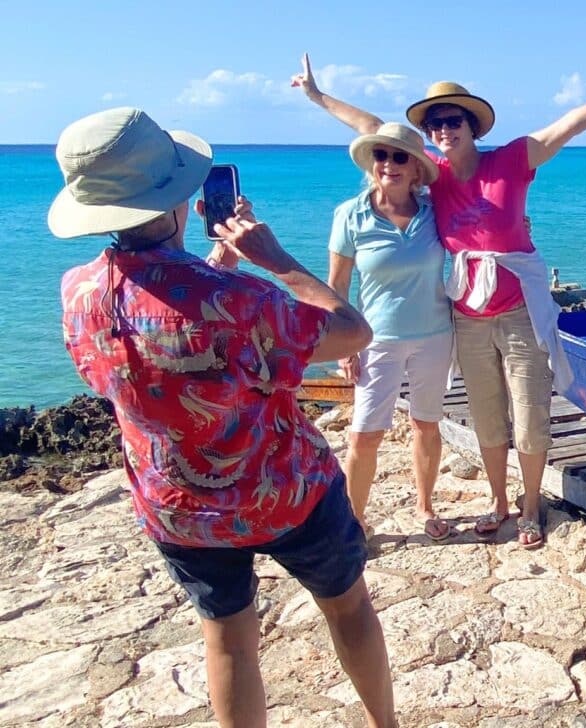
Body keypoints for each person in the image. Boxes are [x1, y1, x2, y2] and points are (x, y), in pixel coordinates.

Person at [52, 107, 397, 728]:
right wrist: (277, 259)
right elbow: (354, 332)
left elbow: (164, 320)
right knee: (347, 609)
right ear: (180, 198)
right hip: (288, 491)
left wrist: (215, 272)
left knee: (229, 641)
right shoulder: (244, 301)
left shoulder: (77, 292)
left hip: (177, 505)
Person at [294, 53, 586, 548]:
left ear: (472, 126)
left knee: (530, 413)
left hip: (518, 312)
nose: (444, 129)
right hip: (465, 314)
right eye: (435, 123)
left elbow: (569, 125)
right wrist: (318, 97)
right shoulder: (434, 177)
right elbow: (373, 131)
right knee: (488, 416)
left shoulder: (510, 160)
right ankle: (499, 503)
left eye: (453, 120)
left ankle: (531, 508)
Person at [329, 122, 454, 539]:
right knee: (365, 435)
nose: (390, 164)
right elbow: (338, 286)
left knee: (427, 425)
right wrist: (344, 347)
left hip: (436, 336)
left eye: (401, 157)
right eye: (382, 155)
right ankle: (353, 523)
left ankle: (424, 506)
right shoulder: (351, 214)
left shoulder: (435, 211)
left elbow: (481, 228)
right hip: (375, 340)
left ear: (417, 168)